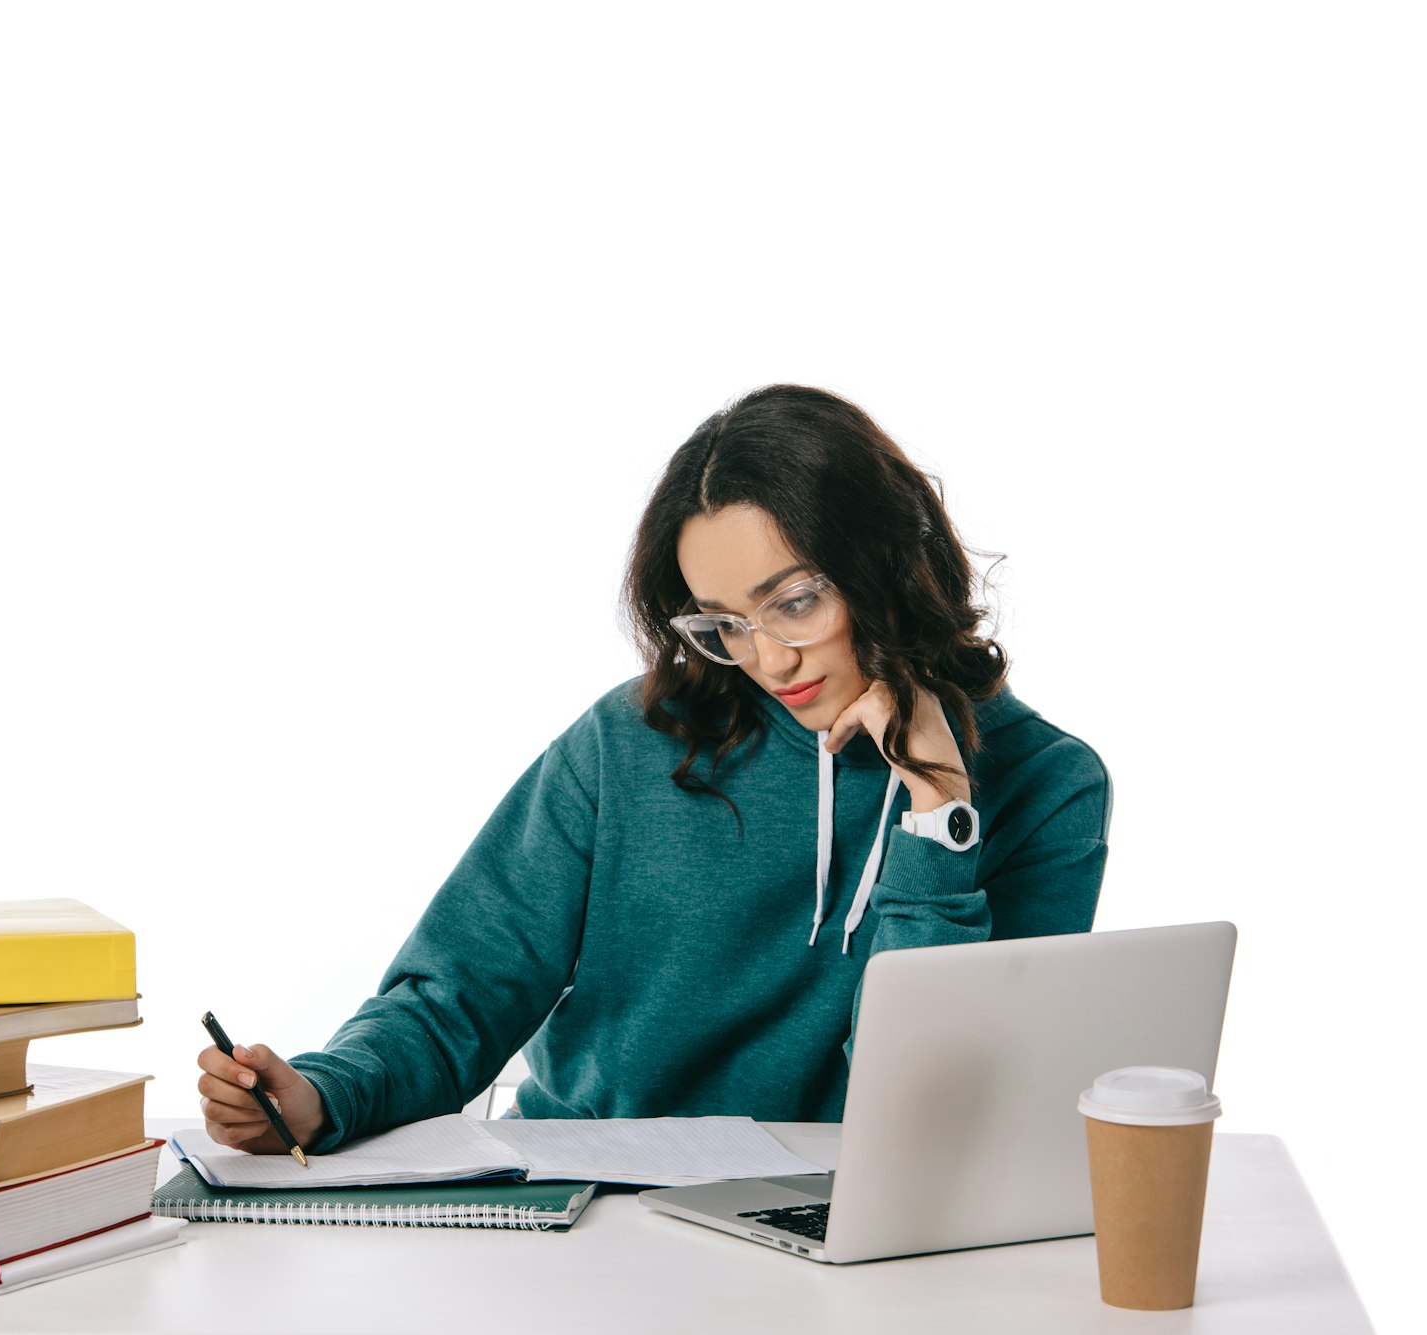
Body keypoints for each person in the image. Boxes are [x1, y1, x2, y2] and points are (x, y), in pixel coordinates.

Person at [196, 384, 1112, 1155]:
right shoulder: (629, 742)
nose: (769, 659)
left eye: (794, 602)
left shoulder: (1049, 784)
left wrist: (938, 811)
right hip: (588, 1209)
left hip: (835, 1225)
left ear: (893, 557)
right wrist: (317, 1095)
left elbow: (931, 1122)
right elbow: (459, 996)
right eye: (724, 623)